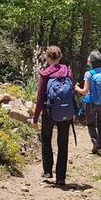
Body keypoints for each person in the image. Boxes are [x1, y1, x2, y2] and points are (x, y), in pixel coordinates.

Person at [32, 45, 75, 186]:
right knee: (63, 144)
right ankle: (61, 177)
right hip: (65, 113)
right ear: (60, 57)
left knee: (46, 139)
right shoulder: (68, 71)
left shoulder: (45, 74)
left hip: (48, 112)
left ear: (48, 57)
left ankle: (48, 171)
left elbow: (40, 98)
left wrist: (35, 118)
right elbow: (71, 93)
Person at [74, 50, 101, 155]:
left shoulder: (89, 74)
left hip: (90, 103)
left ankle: (95, 142)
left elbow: (85, 91)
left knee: (91, 123)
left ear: (90, 62)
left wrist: (77, 88)